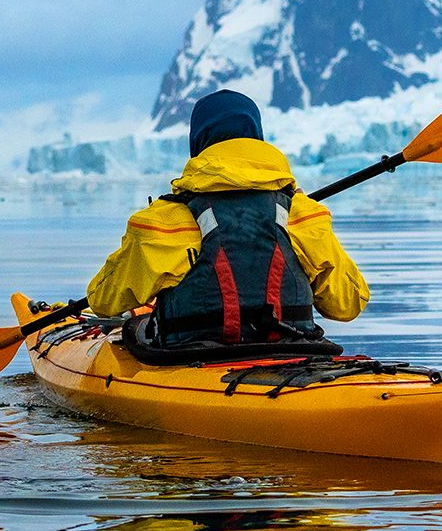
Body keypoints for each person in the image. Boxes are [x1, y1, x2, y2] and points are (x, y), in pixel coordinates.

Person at [86, 89, 369, 353]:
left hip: (187, 360)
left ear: (197, 141)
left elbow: (103, 301)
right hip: (290, 350)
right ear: (257, 136)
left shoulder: (163, 221)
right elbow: (349, 304)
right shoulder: (304, 214)